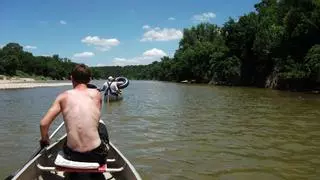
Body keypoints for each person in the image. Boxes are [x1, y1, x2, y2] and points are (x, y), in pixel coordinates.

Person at [39, 64, 108, 165]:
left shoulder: (63, 96)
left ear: (71, 78)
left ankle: (73, 171)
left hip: (72, 155)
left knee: (69, 138)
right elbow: (96, 120)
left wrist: (44, 140)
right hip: (96, 155)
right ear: (89, 80)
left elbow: (43, 124)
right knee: (102, 127)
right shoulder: (96, 94)